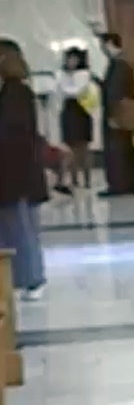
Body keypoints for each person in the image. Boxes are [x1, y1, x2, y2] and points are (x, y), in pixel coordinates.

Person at [0, 38, 49, 301]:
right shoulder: (13, 92)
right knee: (16, 228)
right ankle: (20, 278)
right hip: (17, 171)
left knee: (21, 229)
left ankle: (31, 279)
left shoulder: (15, 93)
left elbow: (12, 134)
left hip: (16, 173)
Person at [98, 32, 134, 197]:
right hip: (121, 115)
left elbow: (116, 91)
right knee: (124, 148)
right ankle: (126, 183)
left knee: (116, 150)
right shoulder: (122, 63)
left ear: (109, 44)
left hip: (116, 115)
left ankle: (118, 184)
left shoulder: (118, 65)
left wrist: (113, 115)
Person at [57, 46, 95, 189]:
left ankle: (87, 180)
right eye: (69, 58)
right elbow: (61, 90)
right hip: (67, 110)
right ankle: (74, 180)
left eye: (74, 58)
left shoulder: (84, 74)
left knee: (83, 147)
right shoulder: (61, 74)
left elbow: (76, 91)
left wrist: (68, 83)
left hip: (81, 110)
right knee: (70, 147)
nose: (71, 61)